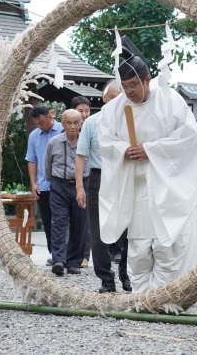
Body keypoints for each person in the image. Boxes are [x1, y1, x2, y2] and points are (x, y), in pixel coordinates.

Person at [97, 40, 197, 292]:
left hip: (166, 185)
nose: (128, 92)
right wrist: (122, 150)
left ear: (147, 80)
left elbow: (189, 138)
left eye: (133, 86)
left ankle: (164, 297)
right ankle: (140, 297)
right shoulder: (116, 108)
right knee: (138, 249)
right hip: (136, 187)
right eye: (124, 87)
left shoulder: (170, 101)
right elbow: (104, 139)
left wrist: (151, 150)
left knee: (167, 246)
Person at [75, 80, 132, 293]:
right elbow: (80, 157)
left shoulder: (129, 121)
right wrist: (80, 187)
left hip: (124, 176)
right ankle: (106, 280)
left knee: (129, 231)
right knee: (98, 232)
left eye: (121, 98)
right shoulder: (91, 123)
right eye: (112, 97)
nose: (116, 101)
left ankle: (127, 275)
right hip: (98, 178)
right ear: (103, 97)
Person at [45, 109, 89, 276]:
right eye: (68, 123)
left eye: (75, 123)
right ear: (62, 125)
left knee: (80, 224)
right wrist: (54, 183)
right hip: (59, 186)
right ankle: (58, 260)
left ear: (80, 124)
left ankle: (73, 262)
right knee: (58, 223)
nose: (72, 126)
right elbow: (48, 166)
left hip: (82, 186)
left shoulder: (87, 142)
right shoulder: (54, 142)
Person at [26, 106, 64, 261]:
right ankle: (55, 255)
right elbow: (32, 160)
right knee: (48, 222)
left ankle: (67, 254)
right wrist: (34, 183)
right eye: (37, 124)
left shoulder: (63, 129)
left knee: (63, 221)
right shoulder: (34, 136)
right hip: (44, 185)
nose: (40, 126)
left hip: (63, 183)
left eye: (42, 122)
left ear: (50, 116)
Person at [72, 95, 92, 268]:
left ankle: (85, 256)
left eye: (87, 111)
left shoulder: (94, 127)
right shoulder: (69, 130)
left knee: (86, 220)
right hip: (69, 179)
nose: (85, 115)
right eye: (81, 111)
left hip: (90, 177)